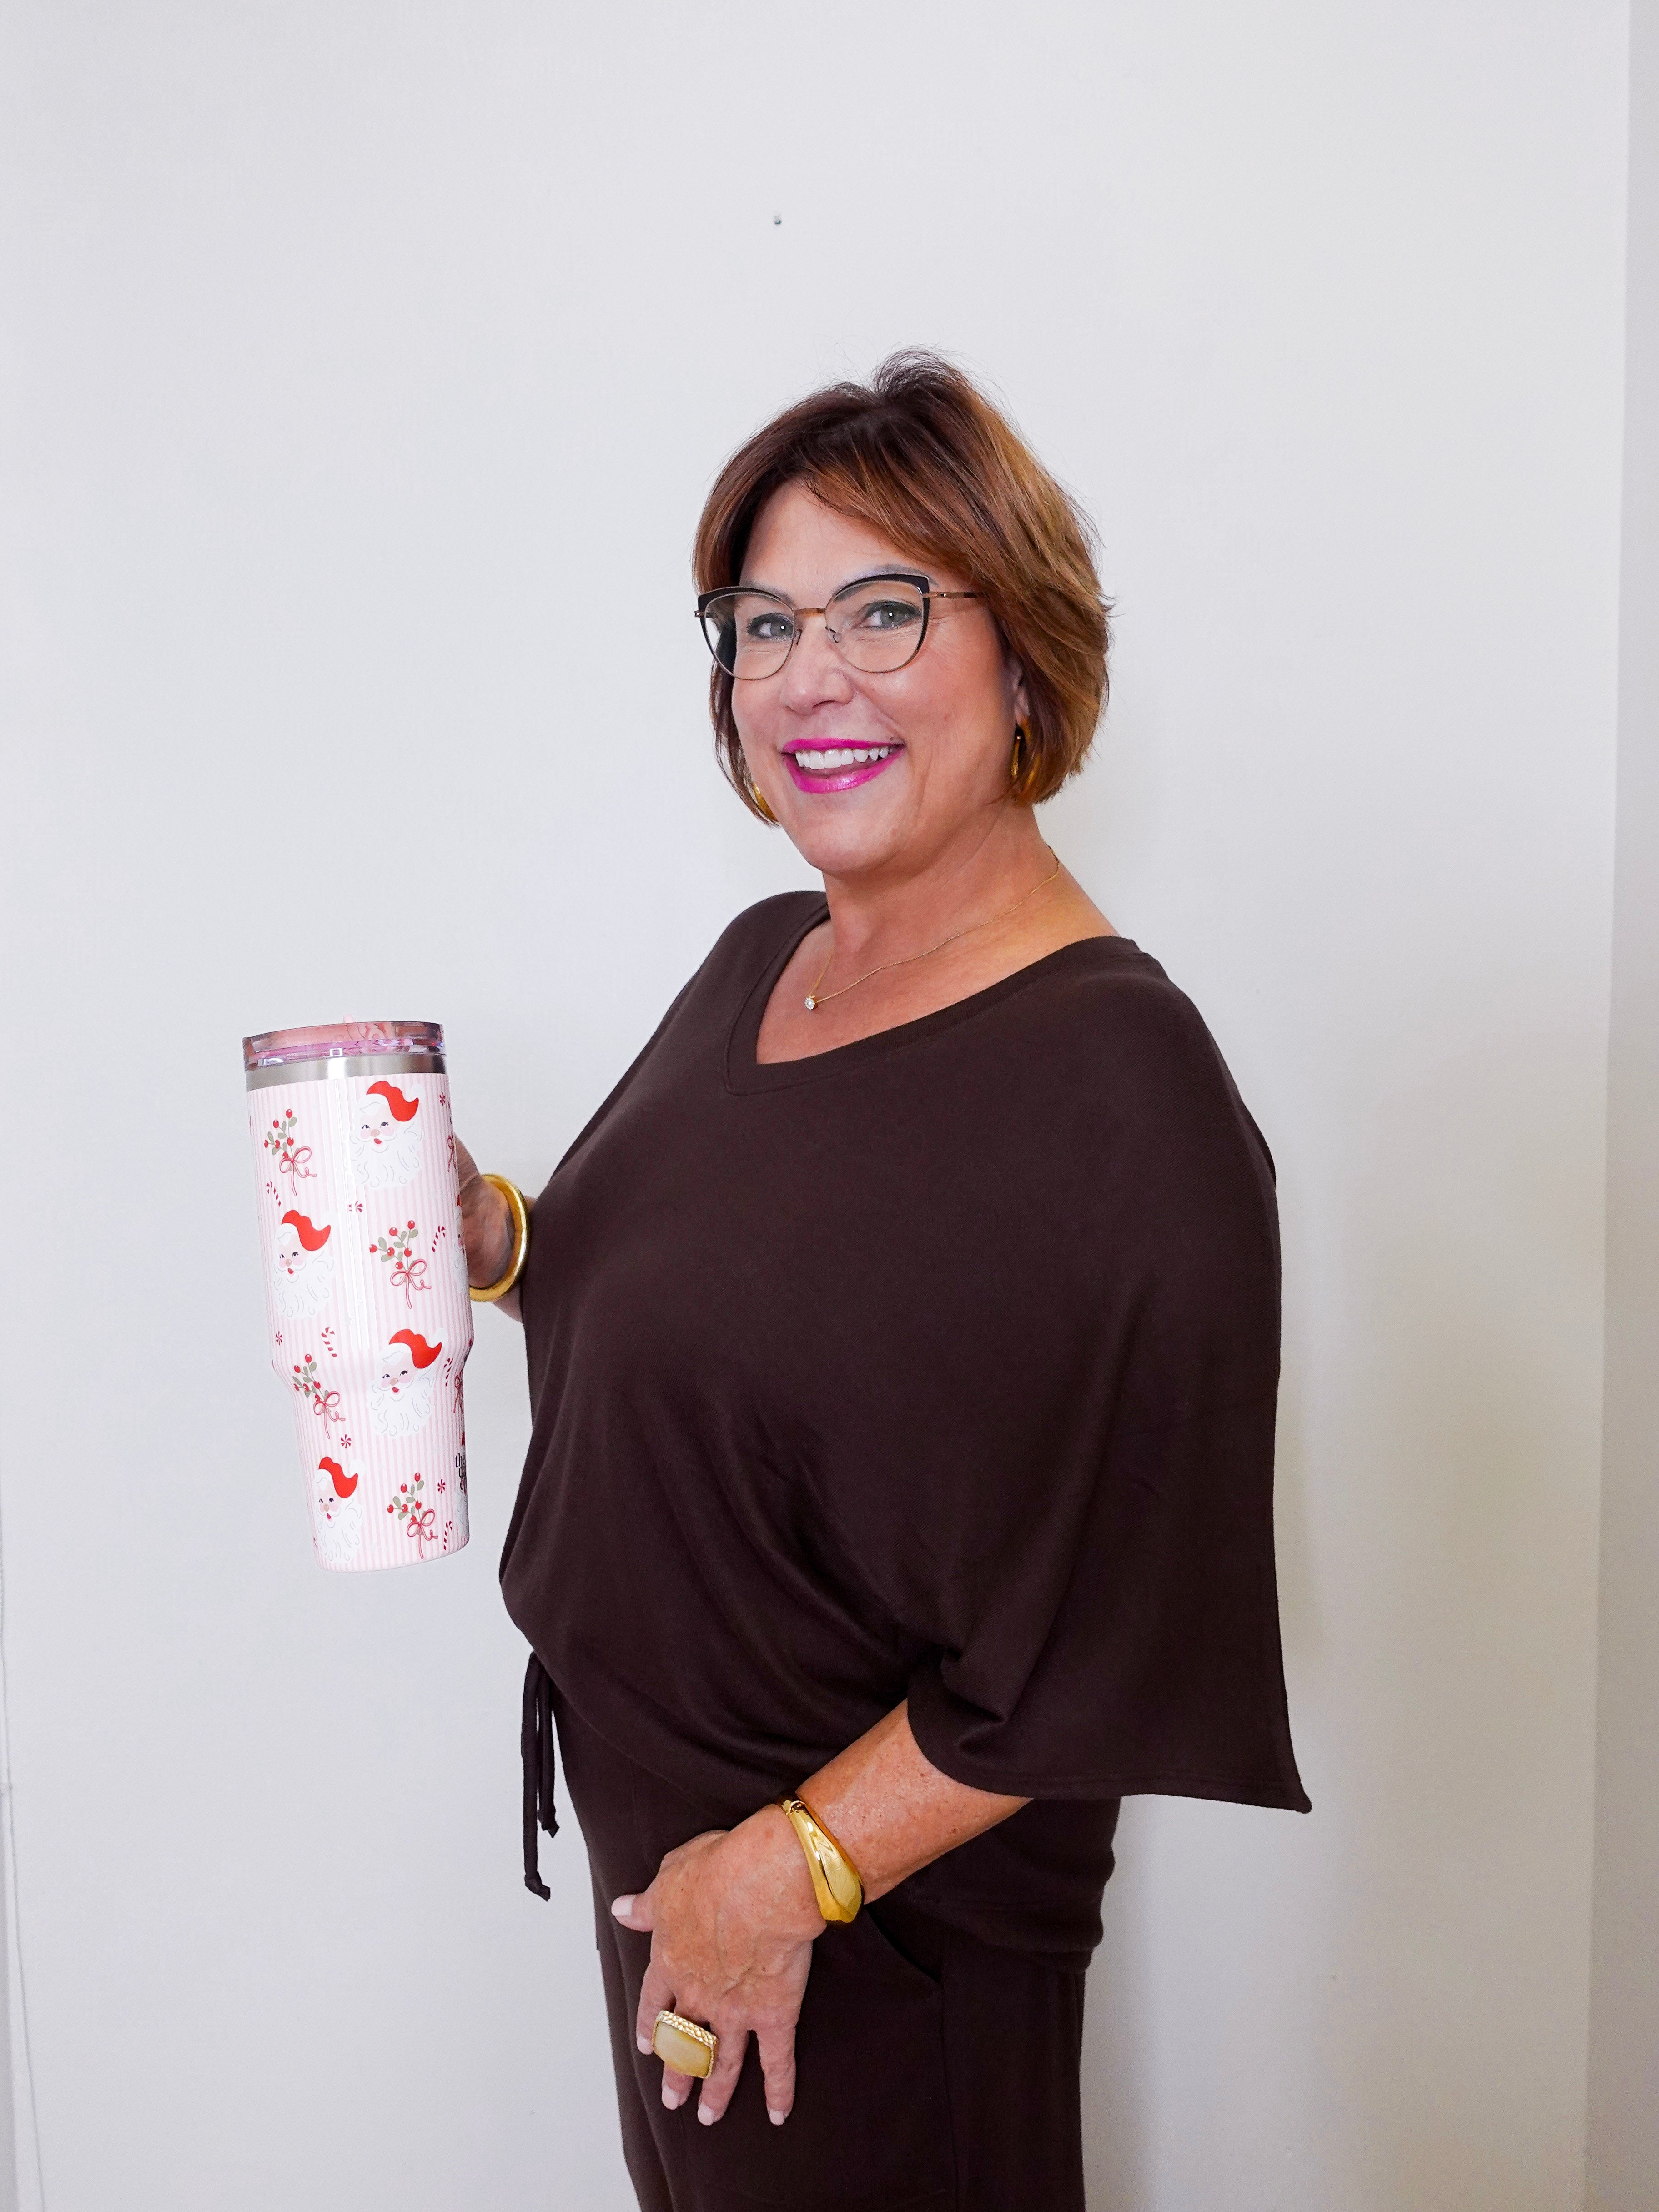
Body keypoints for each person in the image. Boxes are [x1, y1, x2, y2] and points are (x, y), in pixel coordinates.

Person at [455, 352, 1308, 2212]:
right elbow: (698, 1294)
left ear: (1024, 656)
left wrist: (783, 1880)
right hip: (686, 1882)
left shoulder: (1124, 1095)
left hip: (873, 1937)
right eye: (762, 626)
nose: (809, 677)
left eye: (882, 609)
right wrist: (490, 1236)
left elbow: (1108, 1627)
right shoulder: (765, 958)